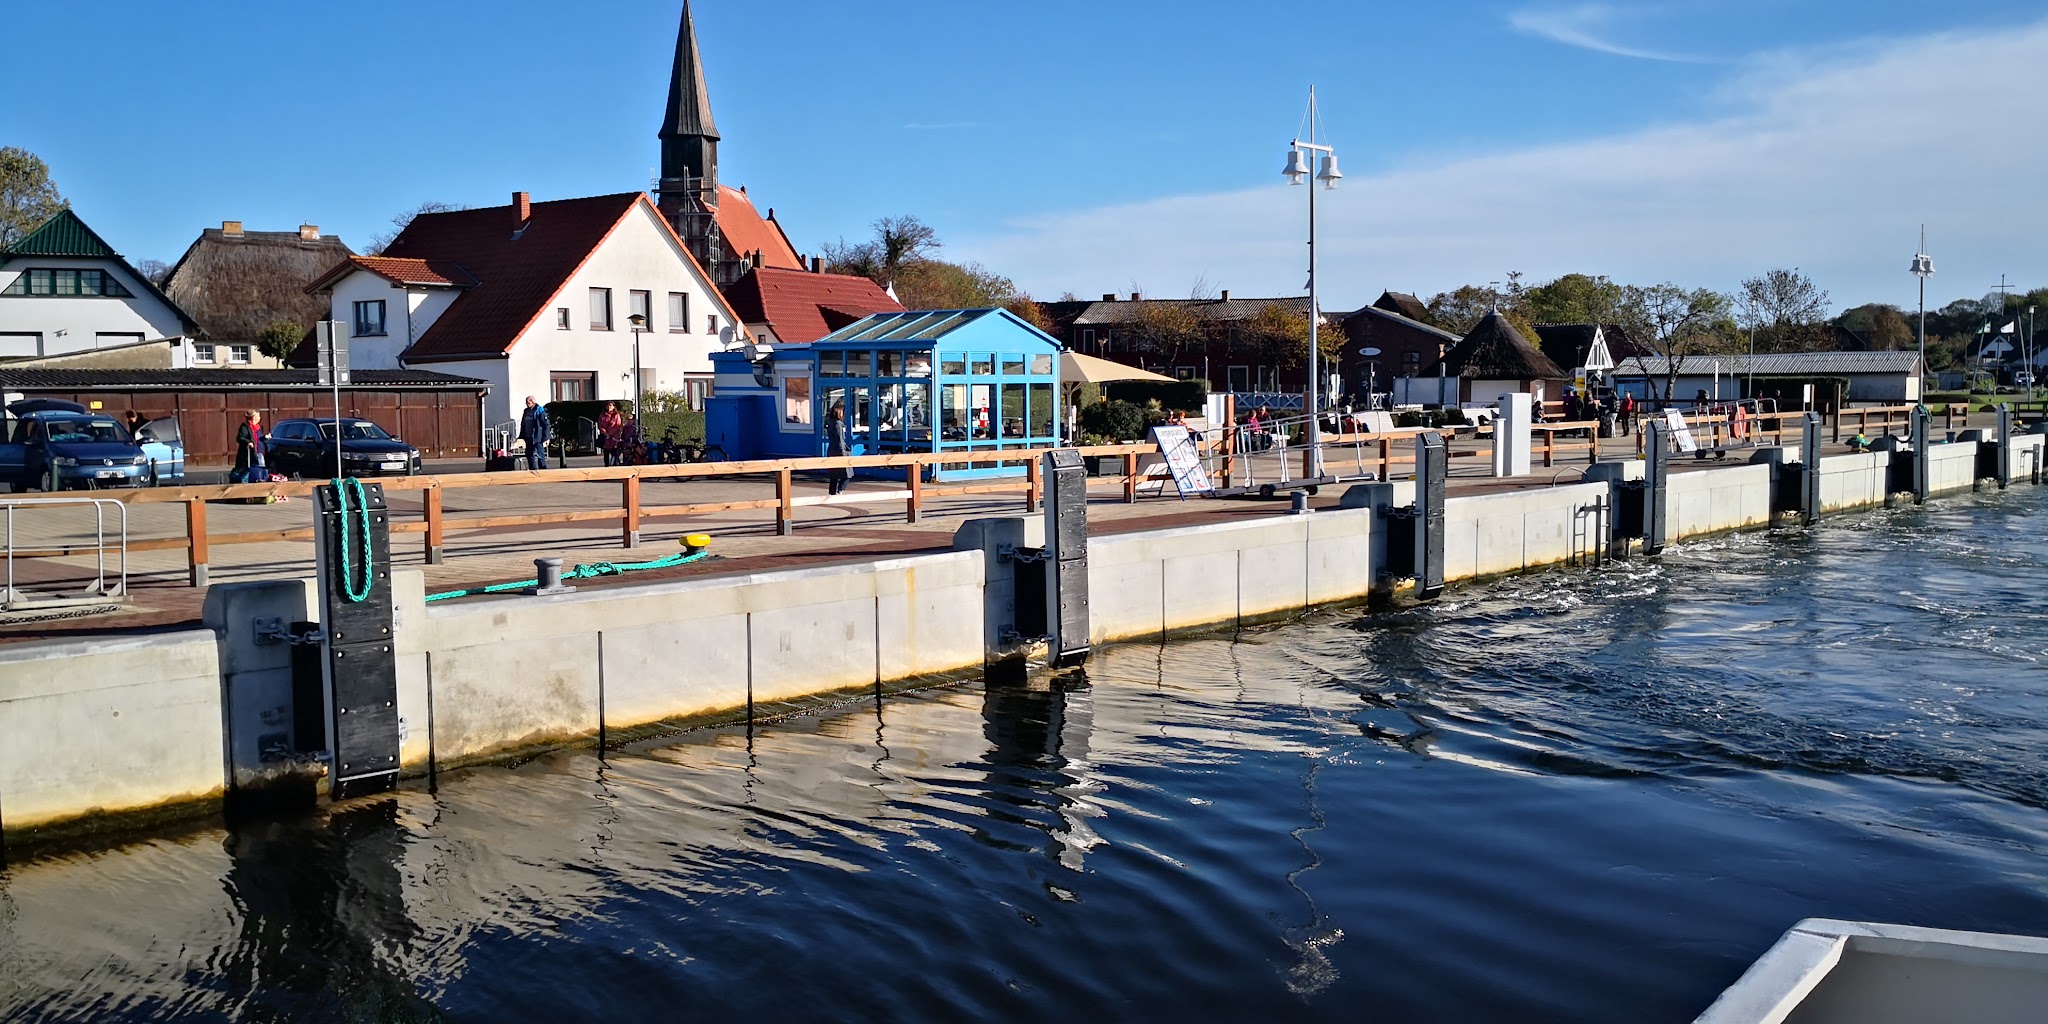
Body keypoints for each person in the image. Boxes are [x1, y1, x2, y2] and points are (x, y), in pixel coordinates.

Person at [823, 404, 851, 495]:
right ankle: (840, 490)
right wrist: (843, 452)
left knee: (834, 474)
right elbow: (840, 439)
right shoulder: (838, 424)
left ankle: (832, 492)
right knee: (848, 473)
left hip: (832, 450)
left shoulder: (830, 422)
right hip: (839, 451)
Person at [519, 396, 552, 470]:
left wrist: (546, 437)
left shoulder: (539, 410)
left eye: (528, 402)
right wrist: (521, 436)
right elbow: (523, 423)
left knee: (540, 454)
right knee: (529, 454)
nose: (527, 404)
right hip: (528, 436)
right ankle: (532, 469)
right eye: (526, 402)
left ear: (532, 402)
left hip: (537, 436)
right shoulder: (526, 411)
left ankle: (542, 469)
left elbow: (545, 424)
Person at [234, 410, 266, 483]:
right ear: (253, 417)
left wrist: (265, 437)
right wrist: (248, 442)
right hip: (249, 452)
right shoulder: (245, 426)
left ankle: (259, 480)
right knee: (248, 468)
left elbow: (259, 438)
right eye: (258, 416)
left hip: (259, 451)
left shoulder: (259, 427)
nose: (260, 418)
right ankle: (247, 482)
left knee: (260, 468)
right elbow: (240, 438)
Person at [597, 401, 625, 467]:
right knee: (606, 454)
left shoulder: (616, 415)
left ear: (613, 407)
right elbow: (600, 425)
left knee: (615, 454)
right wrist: (605, 433)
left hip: (614, 438)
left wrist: (610, 434)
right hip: (605, 438)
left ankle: (615, 465)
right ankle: (606, 467)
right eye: (608, 405)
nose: (609, 407)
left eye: (611, 405)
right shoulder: (602, 415)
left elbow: (618, 425)